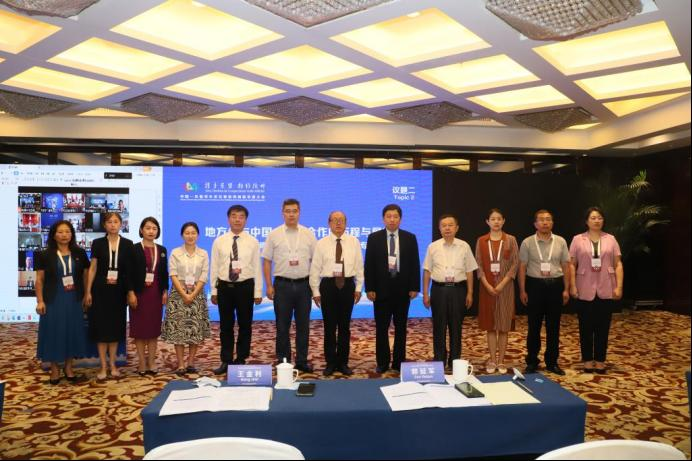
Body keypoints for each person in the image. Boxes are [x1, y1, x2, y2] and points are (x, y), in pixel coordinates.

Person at [263, 199, 317, 373]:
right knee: (282, 325)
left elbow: (316, 262)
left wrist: (315, 287)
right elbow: (267, 261)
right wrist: (268, 286)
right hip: (282, 285)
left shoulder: (308, 234)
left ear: (299, 212)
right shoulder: (274, 234)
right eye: (288, 211)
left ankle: (301, 361)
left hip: (304, 286)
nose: (291, 214)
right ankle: (283, 360)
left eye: (294, 211)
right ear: (282, 213)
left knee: (303, 326)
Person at [365, 204, 420, 374]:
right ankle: (382, 362)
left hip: (403, 290)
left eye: (395, 216)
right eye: (388, 216)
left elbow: (414, 264)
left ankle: (399, 362)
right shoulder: (374, 238)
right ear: (383, 219)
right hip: (380, 290)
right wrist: (370, 288)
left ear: (400, 219)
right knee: (381, 328)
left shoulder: (410, 238)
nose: (392, 219)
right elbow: (369, 265)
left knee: (401, 327)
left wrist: (414, 286)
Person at [569, 207, 624, 374]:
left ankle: (600, 360)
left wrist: (619, 286)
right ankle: (587, 360)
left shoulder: (611, 239)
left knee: (603, 327)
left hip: (606, 287)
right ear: (586, 221)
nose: (597, 220)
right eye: (593, 218)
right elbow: (571, 265)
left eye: (599, 217)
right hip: (584, 288)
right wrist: (572, 285)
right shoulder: (578, 239)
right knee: (585, 327)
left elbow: (618, 264)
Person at [309, 211, 364, 376]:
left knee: (345, 327)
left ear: (346, 223)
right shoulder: (321, 243)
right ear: (329, 223)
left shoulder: (354, 241)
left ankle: (343, 362)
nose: (338, 223)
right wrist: (315, 291)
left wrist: (358, 288)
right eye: (335, 220)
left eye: (341, 220)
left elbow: (359, 267)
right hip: (328, 286)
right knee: (329, 326)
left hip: (347, 285)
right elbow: (315, 269)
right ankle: (331, 363)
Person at [35, 220, 89, 384]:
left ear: (72, 234)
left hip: (74, 299)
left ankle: (69, 367)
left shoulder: (79, 253)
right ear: (53, 235)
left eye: (67, 231)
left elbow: (85, 276)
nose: (64, 235)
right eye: (60, 232)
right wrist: (40, 301)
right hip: (53, 300)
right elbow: (39, 280)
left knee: (72, 332)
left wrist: (87, 294)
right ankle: (54, 369)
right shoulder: (45, 255)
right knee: (53, 332)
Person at [210, 205, 262, 375]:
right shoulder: (219, 241)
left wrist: (258, 292)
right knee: (225, 326)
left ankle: (241, 358)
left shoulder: (253, 242)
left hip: (245, 287)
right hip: (225, 287)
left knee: (245, 325)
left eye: (241, 216)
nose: (237, 219)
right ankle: (226, 360)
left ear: (246, 220)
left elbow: (257, 267)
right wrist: (214, 291)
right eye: (234, 216)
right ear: (228, 219)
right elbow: (214, 267)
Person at [84, 212, 136, 381]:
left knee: (115, 329)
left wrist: (130, 292)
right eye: (109, 222)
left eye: (116, 222)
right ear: (104, 225)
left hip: (118, 291)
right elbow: (93, 268)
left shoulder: (128, 244)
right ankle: (103, 366)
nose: (113, 225)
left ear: (121, 224)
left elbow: (129, 271)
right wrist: (88, 291)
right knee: (101, 329)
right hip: (100, 290)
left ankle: (113, 364)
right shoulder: (98, 243)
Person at [518, 209, 570, 376]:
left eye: (548, 219)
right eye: (541, 220)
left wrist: (566, 289)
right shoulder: (527, 242)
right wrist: (522, 290)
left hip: (555, 286)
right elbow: (522, 267)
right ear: (535, 224)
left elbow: (566, 266)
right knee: (534, 326)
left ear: (552, 223)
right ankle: (532, 361)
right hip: (535, 286)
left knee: (554, 326)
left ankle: (552, 362)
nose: (545, 222)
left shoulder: (561, 241)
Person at [422, 214, 477, 370]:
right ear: (439, 228)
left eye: (450, 225)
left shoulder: (464, 246)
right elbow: (427, 271)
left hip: (458, 290)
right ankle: (439, 360)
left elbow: (469, 271)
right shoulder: (433, 247)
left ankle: (455, 361)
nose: (447, 228)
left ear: (457, 228)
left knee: (456, 327)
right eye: (444, 225)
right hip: (439, 290)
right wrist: (425, 294)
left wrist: (470, 293)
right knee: (439, 326)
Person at [161, 222, 211, 376]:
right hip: (178, 294)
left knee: (194, 329)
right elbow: (173, 274)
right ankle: (181, 364)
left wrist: (193, 294)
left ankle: (190, 362)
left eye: (193, 233)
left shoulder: (203, 253)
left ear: (198, 235)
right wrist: (184, 294)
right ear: (182, 235)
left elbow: (204, 275)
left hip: (197, 293)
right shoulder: (176, 252)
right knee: (179, 330)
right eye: (187, 233)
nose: (190, 236)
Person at [475, 209, 519, 374]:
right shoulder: (481, 241)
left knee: (504, 326)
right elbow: (478, 264)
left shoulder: (511, 240)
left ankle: (501, 361)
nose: (496, 222)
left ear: (503, 221)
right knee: (491, 326)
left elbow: (515, 263)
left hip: (505, 289)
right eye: (493, 219)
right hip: (487, 288)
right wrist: (487, 284)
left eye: (499, 219)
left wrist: (502, 284)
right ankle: (492, 360)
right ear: (487, 221)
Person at [131, 217, 169, 376]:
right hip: (139, 294)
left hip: (155, 294)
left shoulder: (162, 250)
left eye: (154, 228)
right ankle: (141, 362)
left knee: (153, 330)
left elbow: (163, 273)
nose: (151, 231)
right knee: (140, 330)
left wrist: (165, 291)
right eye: (147, 228)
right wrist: (130, 292)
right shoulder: (134, 248)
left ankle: (152, 362)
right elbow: (128, 273)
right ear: (141, 230)